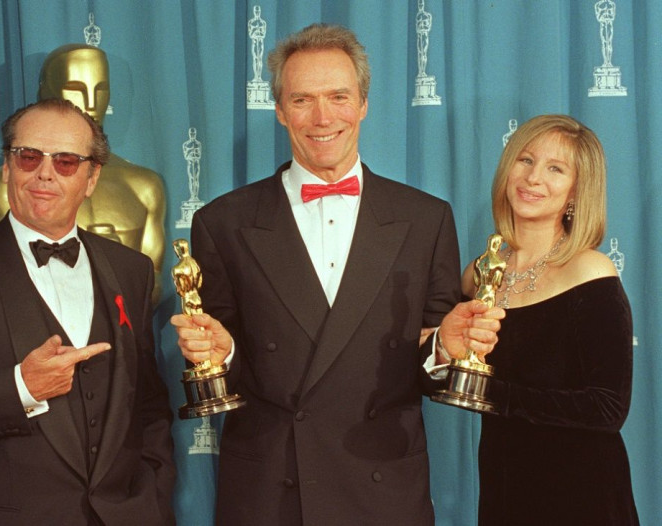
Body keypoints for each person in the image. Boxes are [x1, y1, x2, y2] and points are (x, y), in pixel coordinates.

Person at [170, 24, 503, 525]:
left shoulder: (426, 218)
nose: (322, 117)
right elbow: (227, 366)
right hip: (272, 493)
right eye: (302, 99)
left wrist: (445, 349)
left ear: (364, 104)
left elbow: (430, 370)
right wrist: (222, 353)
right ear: (279, 110)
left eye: (339, 97)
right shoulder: (222, 223)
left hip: (383, 488)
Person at [0, 98, 175, 525]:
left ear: (92, 177)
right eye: (28, 157)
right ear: (7, 167)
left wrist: (152, 494)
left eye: (64, 162)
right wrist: (21, 386)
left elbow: (146, 401)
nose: (43, 173)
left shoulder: (130, 270)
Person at [463, 114, 638, 525]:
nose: (533, 178)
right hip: (504, 487)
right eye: (525, 160)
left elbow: (608, 408)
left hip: (583, 495)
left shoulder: (591, 271)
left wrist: (494, 395)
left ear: (576, 192)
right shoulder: (478, 275)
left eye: (555, 169)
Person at [0, 43, 167, 305]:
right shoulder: (9, 187)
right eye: (76, 88)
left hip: (123, 338)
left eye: (100, 89)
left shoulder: (145, 187)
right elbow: (5, 278)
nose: (91, 103)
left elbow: (153, 282)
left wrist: (117, 268)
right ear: (47, 90)